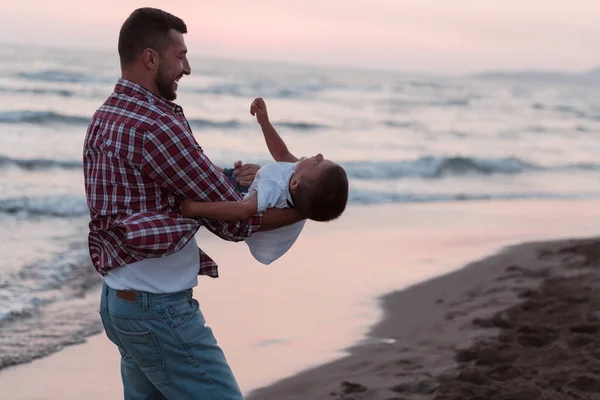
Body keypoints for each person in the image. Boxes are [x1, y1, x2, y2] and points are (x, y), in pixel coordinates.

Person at [83, 8, 302, 400]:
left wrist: (231, 179)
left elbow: (158, 186)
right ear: (151, 58)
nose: (187, 67)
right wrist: (303, 210)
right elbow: (232, 223)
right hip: (157, 312)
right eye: (180, 55)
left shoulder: (106, 117)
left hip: (119, 303)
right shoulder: (156, 124)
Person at [182, 97, 348, 265]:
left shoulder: (274, 187)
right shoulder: (297, 176)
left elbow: (243, 210)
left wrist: (194, 208)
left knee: (199, 167)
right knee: (213, 168)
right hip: (248, 185)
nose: (318, 155)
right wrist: (264, 122)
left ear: (294, 184)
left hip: (237, 198)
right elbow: (282, 154)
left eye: (316, 163)